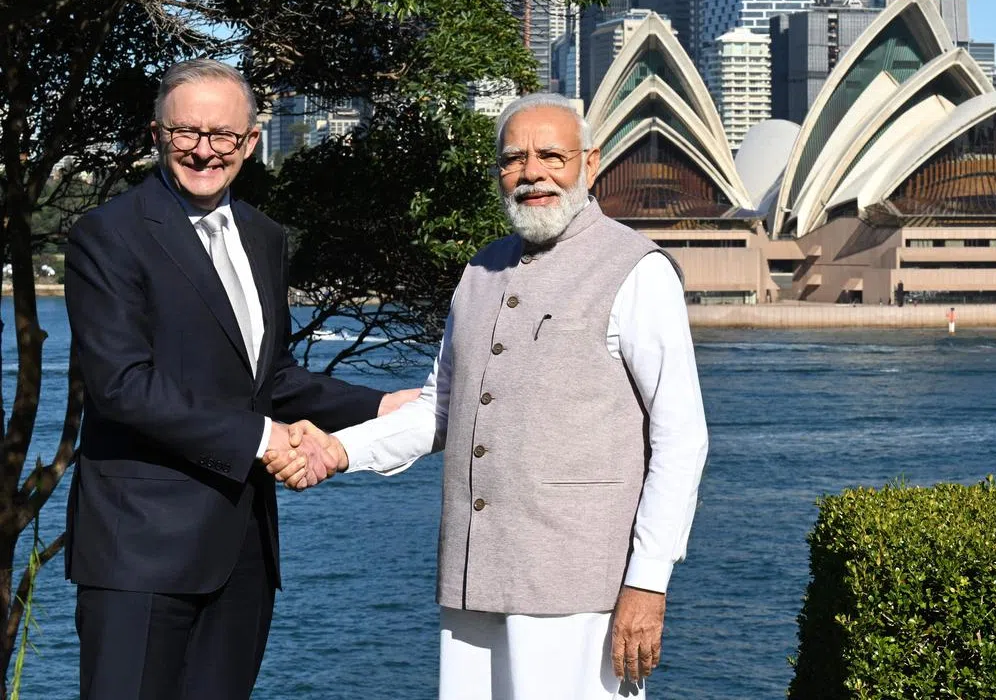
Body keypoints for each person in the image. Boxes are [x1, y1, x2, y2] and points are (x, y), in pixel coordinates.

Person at [267, 93, 709, 699]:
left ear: (591, 163)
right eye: (514, 159)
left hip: (581, 587)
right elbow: (438, 409)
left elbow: (681, 437)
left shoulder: (637, 270)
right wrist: (335, 452)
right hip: (473, 578)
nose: (533, 173)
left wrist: (649, 581)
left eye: (552, 155)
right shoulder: (480, 271)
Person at [64, 59, 416, 700]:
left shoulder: (263, 236)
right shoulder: (107, 236)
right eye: (186, 133)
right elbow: (121, 385)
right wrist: (263, 440)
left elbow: (270, 377)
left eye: (223, 135)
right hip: (139, 554)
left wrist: (382, 405)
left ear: (250, 142)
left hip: (244, 552)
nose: (204, 150)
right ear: (156, 135)